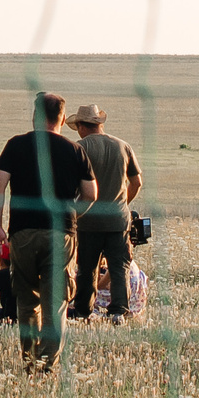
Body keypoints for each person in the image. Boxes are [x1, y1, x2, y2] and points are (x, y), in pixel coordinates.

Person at [0, 92, 97, 371]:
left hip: (22, 232)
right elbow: (91, 194)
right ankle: (47, 364)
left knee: (26, 301)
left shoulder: (16, 145)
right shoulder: (75, 150)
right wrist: (71, 215)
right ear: (62, 117)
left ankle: (29, 360)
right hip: (60, 234)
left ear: (35, 116)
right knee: (56, 304)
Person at [64, 104, 142, 320]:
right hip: (118, 219)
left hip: (88, 220)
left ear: (80, 126)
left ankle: (83, 311)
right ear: (99, 123)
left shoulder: (79, 148)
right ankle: (118, 311)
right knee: (119, 267)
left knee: (87, 268)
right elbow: (136, 182)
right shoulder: (123, 146)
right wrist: (122, 203)